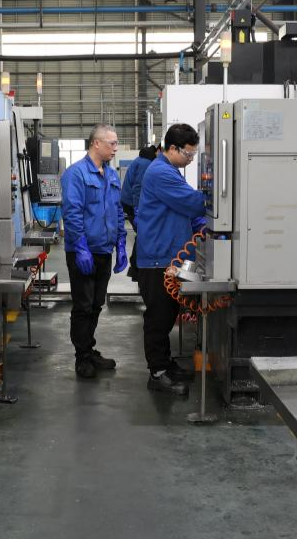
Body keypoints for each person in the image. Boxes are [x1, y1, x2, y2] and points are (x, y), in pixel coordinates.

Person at [134, 124, 208, 396]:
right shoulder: (161, 173)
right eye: (188, 154)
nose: (190, 159)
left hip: (168, 256)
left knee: (168, 315)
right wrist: (216, 192)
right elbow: (193, 203)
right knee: (159, 318)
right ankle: (157, 373)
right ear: (173, 148)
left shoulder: (170, 170)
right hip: (158, 258)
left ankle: (165, 364)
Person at [60, 123, 127, 379]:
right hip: (83, 253)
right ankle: (82, 357)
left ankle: (89, 349)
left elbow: (117, 210)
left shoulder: (110, 175)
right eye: (112, 143)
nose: (116, 148)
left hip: (103, 251)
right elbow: (72, 213)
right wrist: (80, 248)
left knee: (97, 304)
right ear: (96, 143)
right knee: (83, 306)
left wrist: (121, 242)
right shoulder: (76, 174)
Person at [119, 144, 159, 280]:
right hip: (132, 204)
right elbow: (138, 187)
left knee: (142, 234)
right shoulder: (145, 163)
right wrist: (137, 210)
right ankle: (136, 269)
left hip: (129, 202)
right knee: (143, 234)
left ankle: (136, 269)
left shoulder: (143, 159)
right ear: (158, 151)